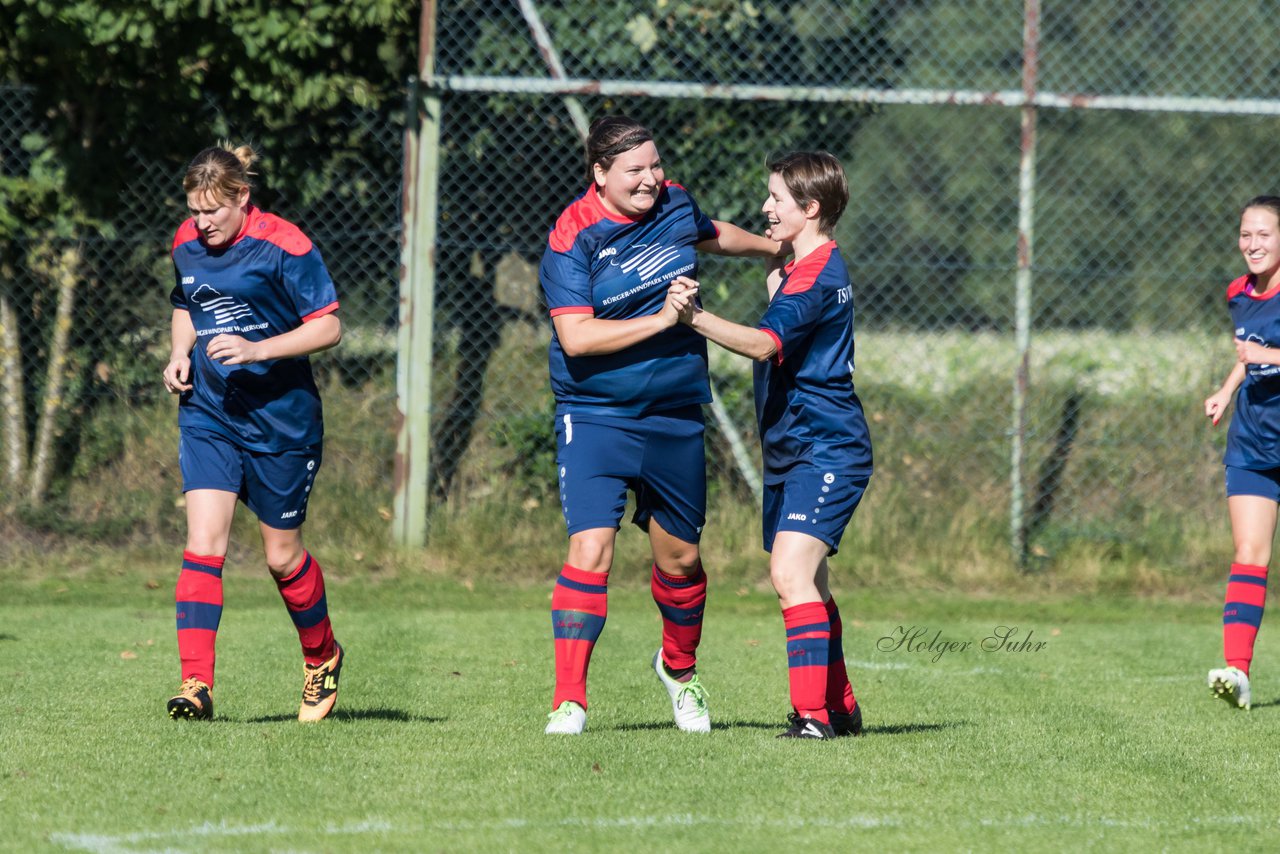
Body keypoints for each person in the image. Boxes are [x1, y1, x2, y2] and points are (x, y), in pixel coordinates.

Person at [539, 115, 785, 735]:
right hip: (594, 413)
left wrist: (774, 247)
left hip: (674, 412)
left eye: (655, 165)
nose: (652, 179)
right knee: (590, 549)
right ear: (599, 174)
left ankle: (679, 670)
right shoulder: (572, 236)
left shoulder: (675, 204)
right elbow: (576, 336)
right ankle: (570, 699)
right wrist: (666, 321)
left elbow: (711, 234)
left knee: (680, 562)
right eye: (635, 170)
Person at [666, 151, 873, 739]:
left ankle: (812, 719)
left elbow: (762, 346)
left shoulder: (814, 276)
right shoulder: (809, 265)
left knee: (789, 573)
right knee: (812, 582)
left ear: (810, 209)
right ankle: (841, 707)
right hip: (796, 447)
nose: (765, 207)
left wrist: (694, 318)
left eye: (777, 199)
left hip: (826, 447)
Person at [163, 143, 345, 722]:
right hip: (210, 414)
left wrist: (258, 349)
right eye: (195, 210)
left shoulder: (286, 245)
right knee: (203, 545)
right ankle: (196, 684)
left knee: (281, 557)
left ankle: (321, 658)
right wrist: (178, 355)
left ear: (243, 197)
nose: (202, 223)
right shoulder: (186, 243)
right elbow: (186, 304)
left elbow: (331, 327)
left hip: (281, 421)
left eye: (214, 210)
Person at [1202, 194, 1280, 711]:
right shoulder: (1237, 292)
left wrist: (1266, 356)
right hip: (1252, 441)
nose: (1252, 244)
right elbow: (1245, 349)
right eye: (1245, 234)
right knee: (1249, 554)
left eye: (1264, 235)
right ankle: (1238, 673)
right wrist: (1229, 387)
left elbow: (1260, 350)